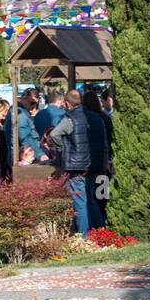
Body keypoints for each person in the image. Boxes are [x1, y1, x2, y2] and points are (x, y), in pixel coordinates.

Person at [49, 91, 110, 235]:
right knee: (91, 200)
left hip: (76, 167)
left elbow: (54, 135)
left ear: (67, 103)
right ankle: (101, 234)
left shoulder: (70, 118)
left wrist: (64, 146)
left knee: (79, 202)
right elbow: (104, 142)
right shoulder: (97, 117)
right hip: (94, 165)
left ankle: (84, 237)